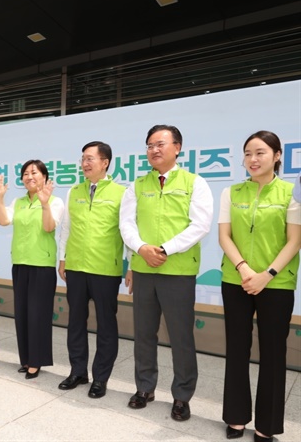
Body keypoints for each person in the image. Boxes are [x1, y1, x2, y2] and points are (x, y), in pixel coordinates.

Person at [119, 124, 213, 421]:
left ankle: (182, 396)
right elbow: (126, 224)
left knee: (181, 336)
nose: (154, 150)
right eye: (149, 145)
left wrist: (164, 249)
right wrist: (142, 248)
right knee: (144, 333)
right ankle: (144, 387)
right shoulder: (137, 185)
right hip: (144, 268)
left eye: (160, 144)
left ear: (177, 147)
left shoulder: (194, 182)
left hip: (178, 271)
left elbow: (200, 225)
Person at [218, 131, 300, 442]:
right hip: (235, 280)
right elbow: (225, 236)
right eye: (248, 153)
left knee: (274, 354)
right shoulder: (231, 192)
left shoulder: (291, 192)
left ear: (278, 156)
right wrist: (243, 269)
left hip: (276, 283)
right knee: (237, 350)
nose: (253, 159)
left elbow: (295, 240)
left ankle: (267, 426)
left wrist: (267, 273)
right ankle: (236, 418)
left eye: (261, 152)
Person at [56, 142, 126, 397]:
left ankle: (101, 378)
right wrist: (62, 259)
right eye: (83, 159)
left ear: (105, 162)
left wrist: (130, 265)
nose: (84, 164)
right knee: (75, 321)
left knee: (106, 325)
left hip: (105, 268)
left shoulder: (122, 192)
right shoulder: (74, 191)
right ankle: (78, 371)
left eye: (90, 159)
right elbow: (66, 228)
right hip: (75, 267)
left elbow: (127, 231)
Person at [0, 160, 64, 379]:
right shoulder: (19, 201)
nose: (29, 176)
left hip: (41, 265)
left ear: (44, 176)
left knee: (38, 315)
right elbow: (4, 221)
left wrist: (44, 204)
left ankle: (37, 360)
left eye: (34, 172)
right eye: (25, 173)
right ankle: (26, 359)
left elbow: (49, 227)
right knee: (22, 314)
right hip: (21, 263)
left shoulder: (56, 201)